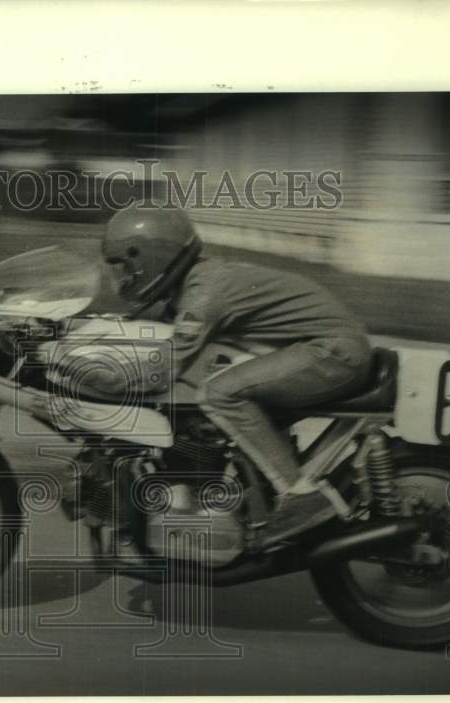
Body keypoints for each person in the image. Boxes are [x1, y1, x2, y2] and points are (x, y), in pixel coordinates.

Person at [100, 203, 373, 544]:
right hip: (320, 347)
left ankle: (303, 496)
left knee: (220, 393)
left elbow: (166, 365)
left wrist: (101, 379)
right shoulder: (195, 284)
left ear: (152, 257)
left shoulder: (206, 292)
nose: (123, 276)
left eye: (125, 265)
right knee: (205, 388)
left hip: (333, 351)